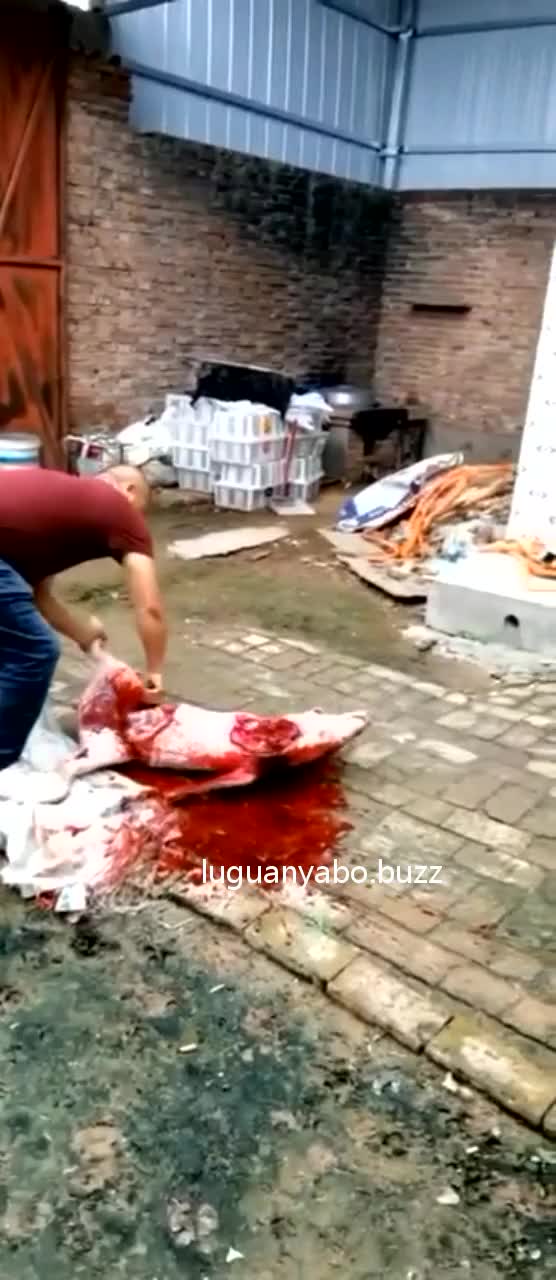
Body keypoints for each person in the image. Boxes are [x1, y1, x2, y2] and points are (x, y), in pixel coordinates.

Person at [0, 463, 167, 778]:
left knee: (11, 641)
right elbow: (150, 608)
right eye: (141, 510)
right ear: (129, 491)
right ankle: (3, 767)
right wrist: (155, 671)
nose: (136, 521)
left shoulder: (53, 509)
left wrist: (83, 634)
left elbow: (38, 597)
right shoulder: (119, 507)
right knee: (34, 652)